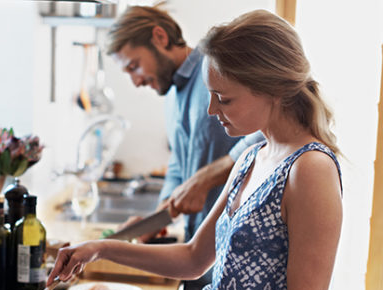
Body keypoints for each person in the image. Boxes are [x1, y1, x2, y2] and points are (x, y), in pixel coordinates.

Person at [49, 9, 343, 290]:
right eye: (211, 95)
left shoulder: (311, 168)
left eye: (225, 98)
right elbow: (192, 258)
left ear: (273, 89)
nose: (211, 111)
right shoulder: (251, 159)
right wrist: (100, 249)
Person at [106, 5, 264, 243]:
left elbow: (267, 132)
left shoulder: (218, 69)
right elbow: (179, 164)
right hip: (199, 246)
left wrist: (208, 178)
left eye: (134, 66)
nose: (136, 82)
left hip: (241, 240)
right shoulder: (170, 96)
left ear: (160, 37)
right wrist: (159, 216)